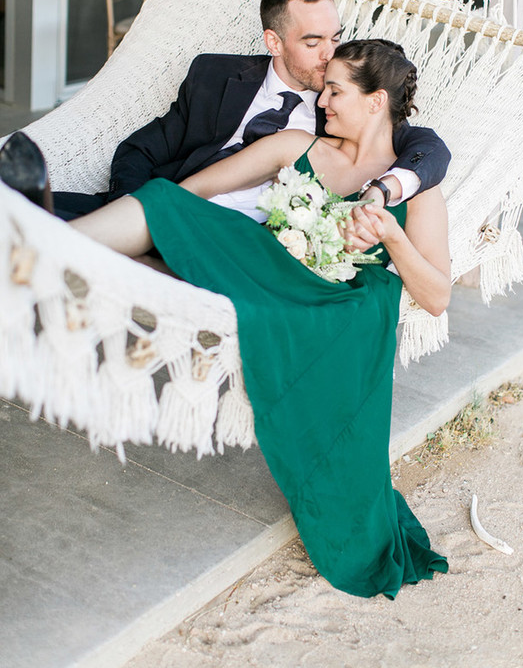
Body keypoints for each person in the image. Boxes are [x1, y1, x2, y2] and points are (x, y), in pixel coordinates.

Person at [71, 38, 450, 598]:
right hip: (263, 267)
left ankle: (46, 245)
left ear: (375, 102)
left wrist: (391, 234)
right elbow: (194, 190)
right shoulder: (296, 145)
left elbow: (437, 296)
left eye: (336, 92)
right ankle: (48, 248)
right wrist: (174, 224)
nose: (321, 102)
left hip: (333, 308)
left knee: (171, 215)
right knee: (164, 200)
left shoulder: (417, 190)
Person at [52, 0, 451, 231]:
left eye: (334, 37)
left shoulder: (340, 108)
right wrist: (131, 208)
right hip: (164, 202)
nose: (331, 54)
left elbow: (427, 147)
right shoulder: (215, 75)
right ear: (273, 42)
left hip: (236, 241)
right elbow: (141, 148)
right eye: (313, 42)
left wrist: (388, 188)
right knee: (25, 208)